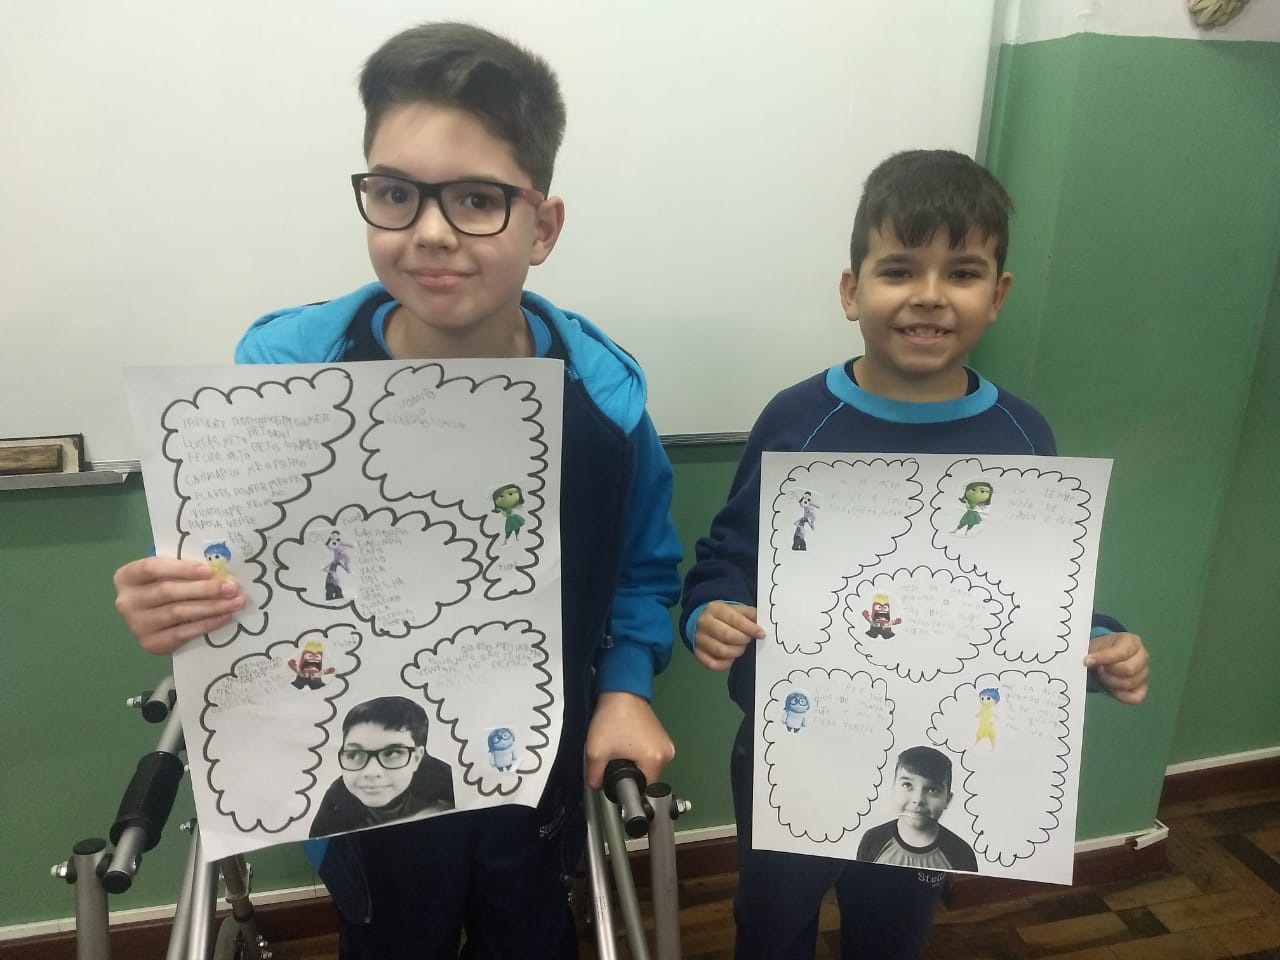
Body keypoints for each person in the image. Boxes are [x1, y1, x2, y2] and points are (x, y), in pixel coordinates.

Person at [111, 21, 682, 958]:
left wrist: (624, 688)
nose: (430, 232)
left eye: (477, 199)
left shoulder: (603, 405)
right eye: (396, 193)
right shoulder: (286, 380)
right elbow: (225, 566)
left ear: (542, 226)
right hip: (364, 790)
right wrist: (173, 597)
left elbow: (642, 573)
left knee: (531, 933)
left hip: (536, 772)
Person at [679, 149, 1150, 960]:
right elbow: (728, 553)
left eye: (962, 273)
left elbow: (1039, 599)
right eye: (899, 270)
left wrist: (1102, 644)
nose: (929, 295)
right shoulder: (796, 420)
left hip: (931, 760)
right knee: (773, 920)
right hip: (794, 747)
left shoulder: (1021, 436)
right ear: (851, 289)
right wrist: (707, 612)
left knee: (894, 929)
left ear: (997, 296)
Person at [310, 696, 455, 838]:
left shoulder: (448, 785)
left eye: (392, 753)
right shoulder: (337, 800)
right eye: (354, 754)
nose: (371, 772)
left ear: (417, 758)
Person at [855, 746, 977, 872]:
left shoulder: (961, 853)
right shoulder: (873, 840)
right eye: (907, 785)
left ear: (947, 799)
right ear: (893, 789)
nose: (918, 799)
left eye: (933, 789)